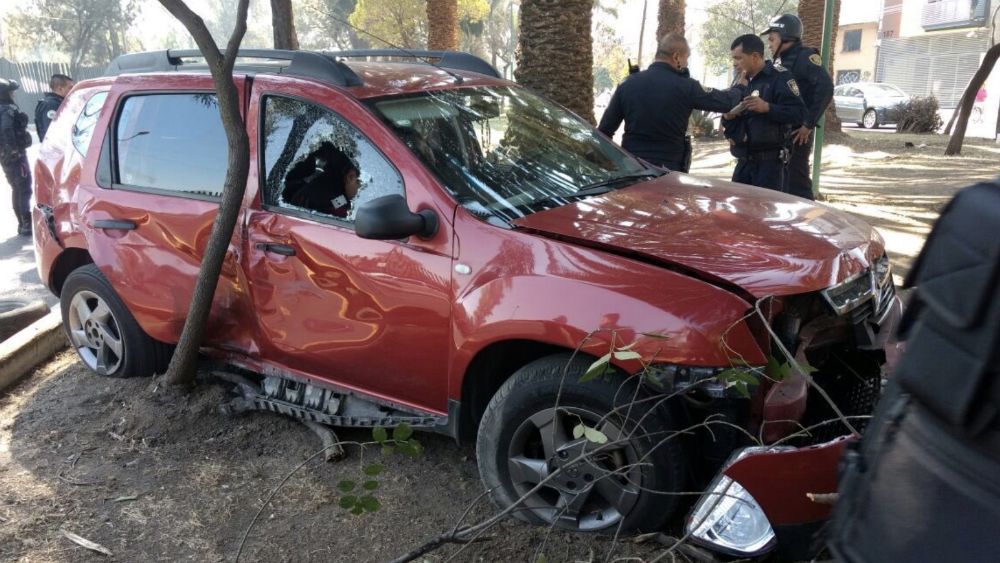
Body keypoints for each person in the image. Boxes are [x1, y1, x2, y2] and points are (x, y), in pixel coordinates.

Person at [598, 33, 746, 172]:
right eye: (686, 58)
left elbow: (604, 131)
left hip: (632, 168)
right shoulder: (686, 86)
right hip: (668, 169)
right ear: (676, 57)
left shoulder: (627, 84)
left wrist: (612, 164)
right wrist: (740, 87)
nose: (687, 63)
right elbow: (725, 102)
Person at [761, 14, 834, 200]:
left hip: (797, 133)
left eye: (772, 39)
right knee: (782, 183)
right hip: (780, 132)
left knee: (797, 183)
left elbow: (825, 88)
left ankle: (808, 217)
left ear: (786, 37)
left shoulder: (805, 57)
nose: (769, 44)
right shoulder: (779, 61)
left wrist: (808, 124)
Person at [722, 35, 806, 192]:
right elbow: (730, 118)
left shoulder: (780, 77)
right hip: (744, 163)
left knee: (766, 207)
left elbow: (799, 113)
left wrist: (768, 108)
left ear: (755, 56)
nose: (735, 63)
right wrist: (727, 117)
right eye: (733, 58)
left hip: (769, 165)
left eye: (739, 58)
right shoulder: (741, 82)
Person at [282, 142, 360, 218]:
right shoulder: (328, 199)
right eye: (362, 186)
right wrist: (350, 199)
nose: (361, 192)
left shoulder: (331, 187)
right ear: (351, 177)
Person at [0, 79, 34, 236]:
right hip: (15, 157)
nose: (13, 94)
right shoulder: (7, 110)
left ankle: (22, 222)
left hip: (6, 156)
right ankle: (26, 222)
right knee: (23, 188)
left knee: (17, 188)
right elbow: (6, 129)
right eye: (11, 92)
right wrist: (14, 151)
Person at [35, 73, 74, 142]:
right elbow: (52, 130)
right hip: (55, 145)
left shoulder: (59, 102)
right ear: (60, 89)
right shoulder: (50, 105)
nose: (73, 90)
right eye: (70, 88)